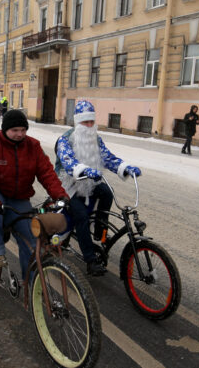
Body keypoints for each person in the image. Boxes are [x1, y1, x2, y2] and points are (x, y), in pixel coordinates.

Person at [0, 109, 69, 281]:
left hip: (18, 197)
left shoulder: (33, 146)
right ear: (4, 129)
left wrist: (60, 195)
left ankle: (31, 286)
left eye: (23, 130)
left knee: (31, 240)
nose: (19, 134)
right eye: (15, 130)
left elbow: (46, 173)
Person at [55, 100, 141, 276]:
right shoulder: (65, 139)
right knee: (80, 214)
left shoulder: (96, 139)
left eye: (91, 122)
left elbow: (107, 157)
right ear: (77, 122)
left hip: (90, 180)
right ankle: (90, 259)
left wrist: (125, 167)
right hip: (68, 184)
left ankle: (99, 231)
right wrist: (83, 169)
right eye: (84, 122)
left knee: (107, 193)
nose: (88, 126)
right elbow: (68, 162)